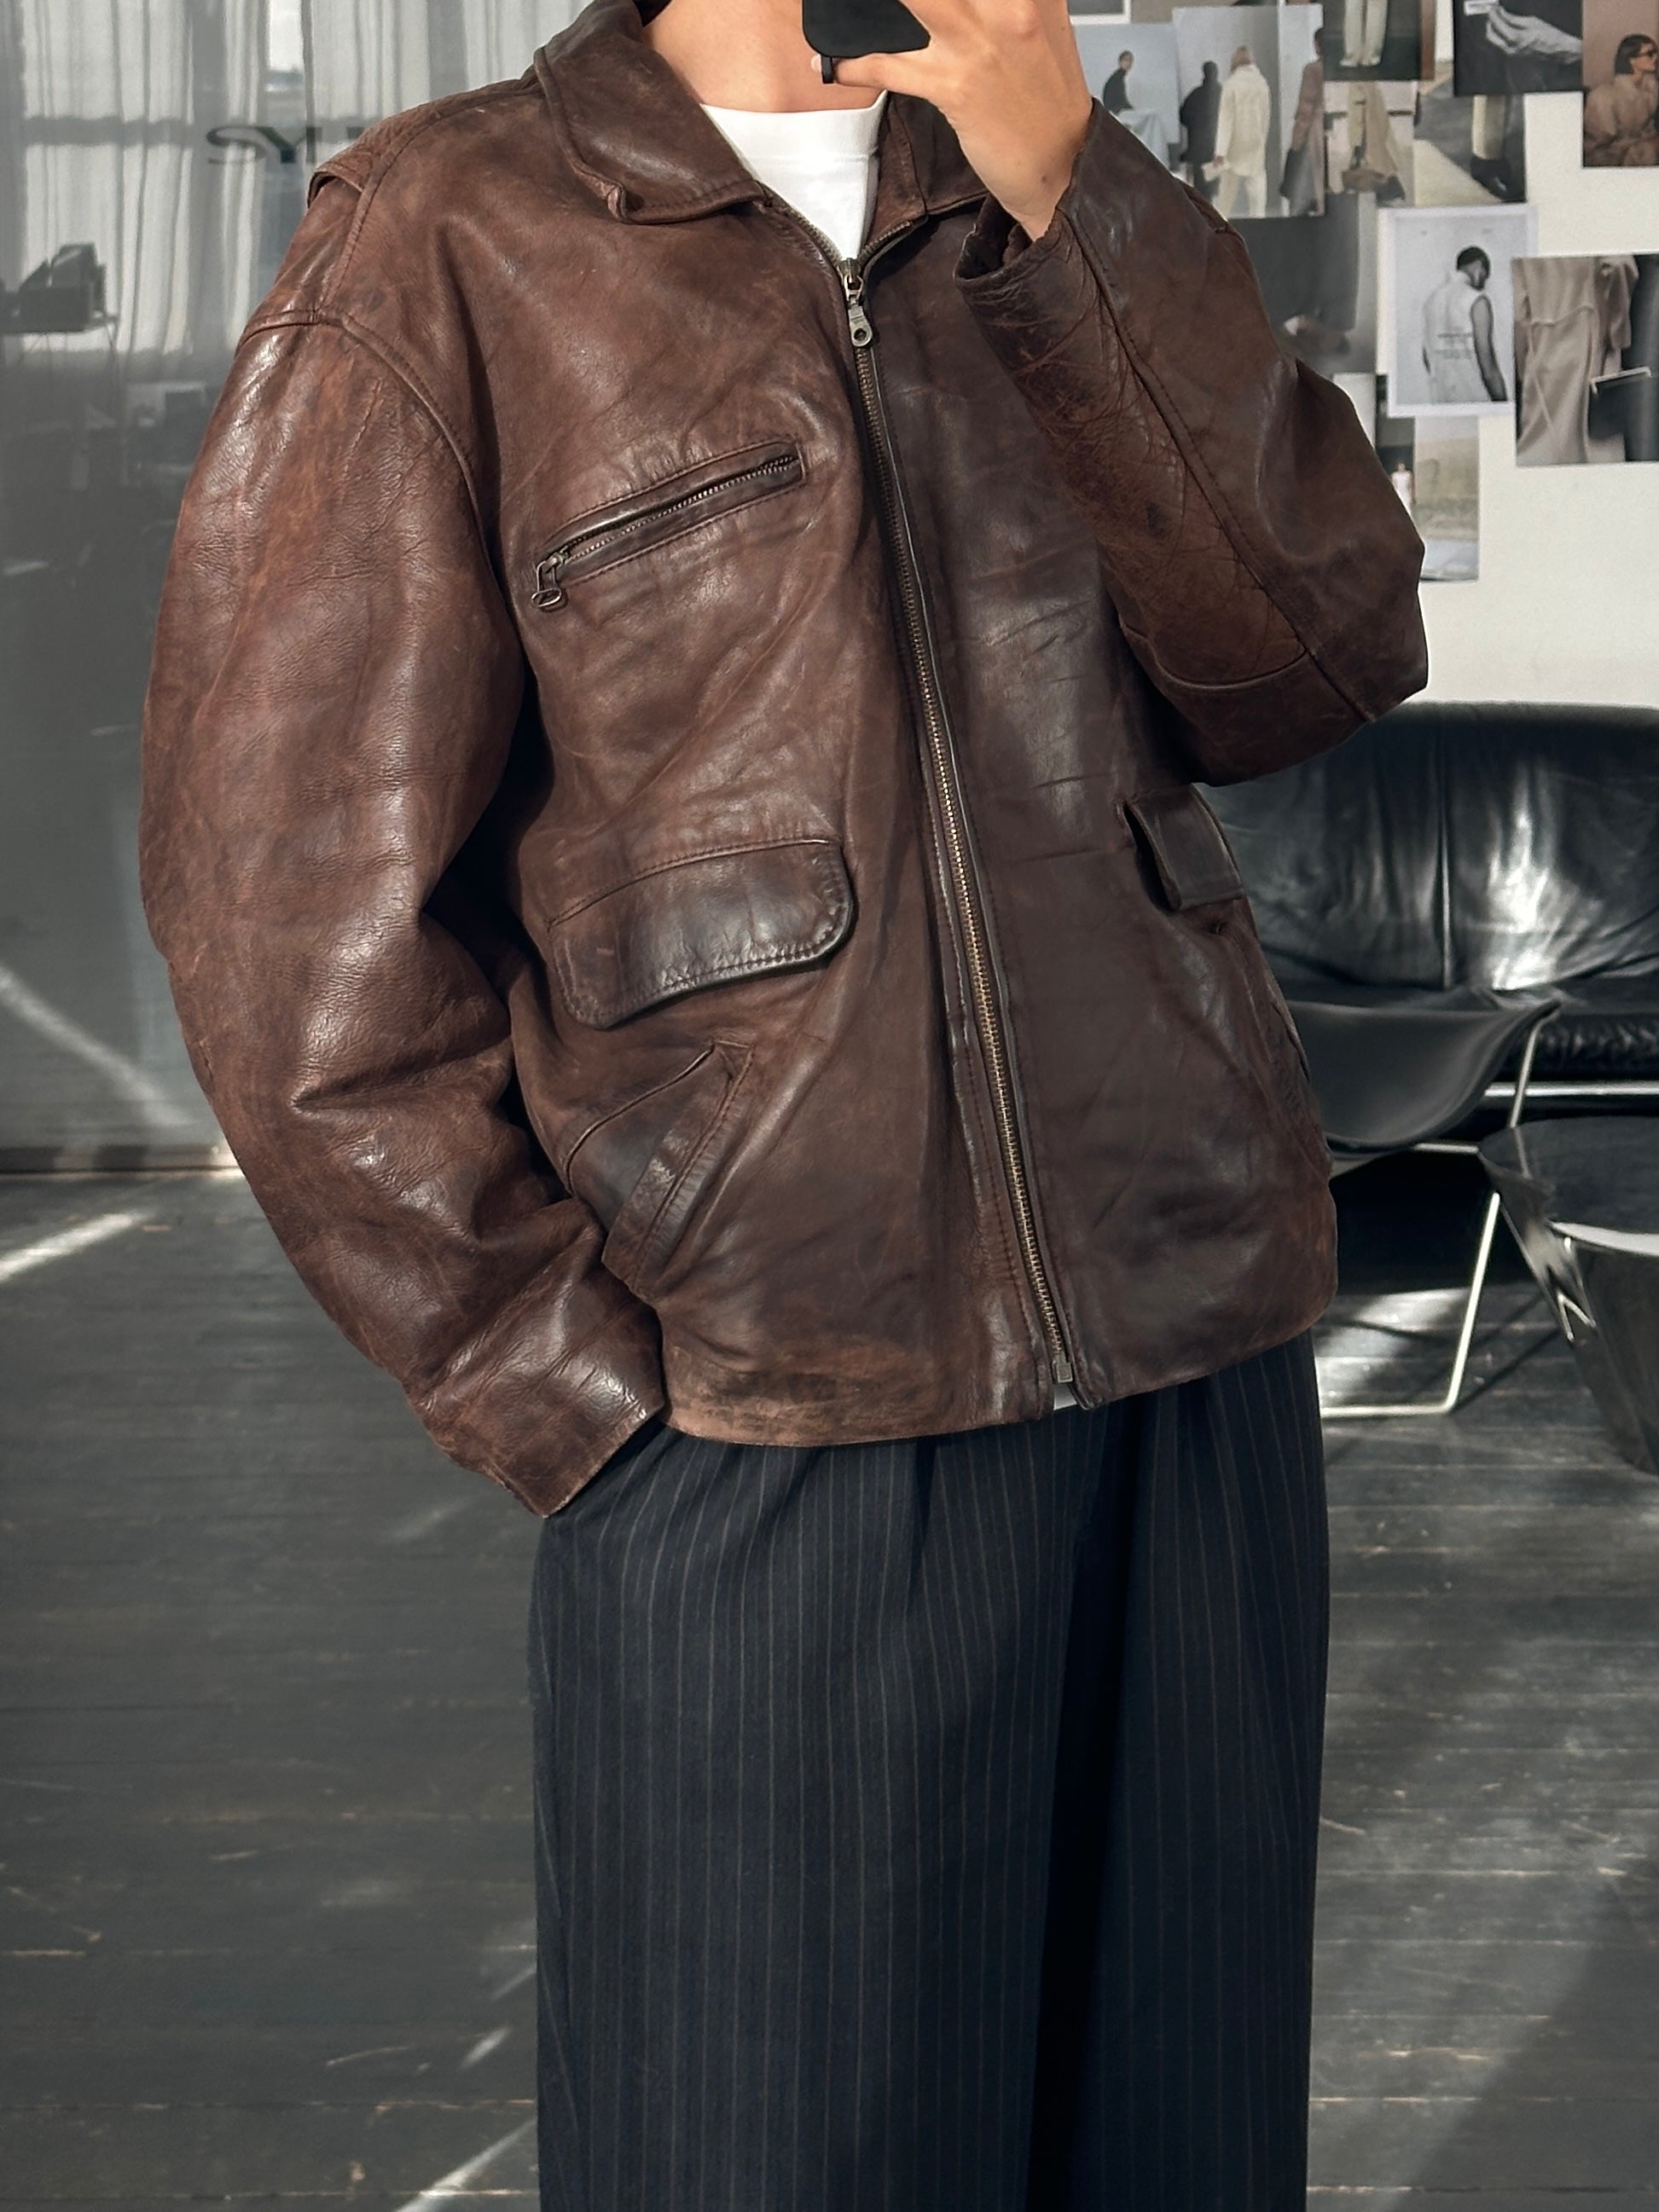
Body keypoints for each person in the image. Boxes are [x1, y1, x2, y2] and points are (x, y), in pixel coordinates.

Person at [138, 0, 1428, 2204]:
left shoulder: (1037, 186)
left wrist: (1075, 198)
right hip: (761, 1434)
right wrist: (573, 1400)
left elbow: (1321, 650)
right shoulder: (452, 239)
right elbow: (284, 929)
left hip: (1189, 1375)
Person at [1422, 243, 1508, 402]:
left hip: (1441, 401)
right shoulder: (1477, 300)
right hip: (1476, 399)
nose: (1483, 284)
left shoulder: (1431, 301)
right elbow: (1488, 366)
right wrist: (1503, 404)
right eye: (1485, 275)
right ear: (1479, 267)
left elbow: (1427, 358)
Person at [1206, 42, 1274, 217]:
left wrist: (1220, 151)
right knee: (1257, 188)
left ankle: (1220, 223)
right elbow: (1266, 115)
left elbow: (1226, 120)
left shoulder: (1231, 84)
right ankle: (1259, 222)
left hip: (1234, 146)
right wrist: (1262, 139)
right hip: (1255, 143)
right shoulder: (1262, 84)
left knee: (1226, 194)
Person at [1583, 32, 1659, 166]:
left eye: (1656, 52)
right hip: (1613, 162)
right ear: (1632, 60)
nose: (1656, 58)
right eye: (1649, 54)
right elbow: (1596, 150)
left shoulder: (1651, 88)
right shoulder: (1603, 97)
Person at [1180, 55, 1222, 196]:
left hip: (1198, 148)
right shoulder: (1223, 93)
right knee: (1217, 188)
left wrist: (1195, 127)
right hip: (1217, 148)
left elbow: (1183, 115)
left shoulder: (1195, 94)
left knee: (1201, 190)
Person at [1102, 47, 1134, 113]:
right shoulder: (1116, 79)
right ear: (1120, 62)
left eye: (1130, 61)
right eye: (1126, 60)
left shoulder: (1119, 77)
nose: (1128, 63)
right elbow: (1119, 100)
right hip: (1115, 112)